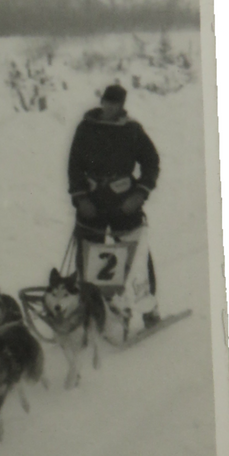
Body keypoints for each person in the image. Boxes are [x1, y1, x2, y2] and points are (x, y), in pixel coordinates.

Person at [66, 84, 161, 330]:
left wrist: (140, 193)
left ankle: (148, 309)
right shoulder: (86, 128)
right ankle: (92, 309)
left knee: (136, 254)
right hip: (92, 203)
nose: (109, 107)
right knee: (88, 258)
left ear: (121, 105)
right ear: (102, 102)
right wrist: (81, 198)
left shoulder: (132, 130)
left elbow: (151, 162)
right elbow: (74, 166)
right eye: (106, 102)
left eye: (115, 103)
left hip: (124, 203)